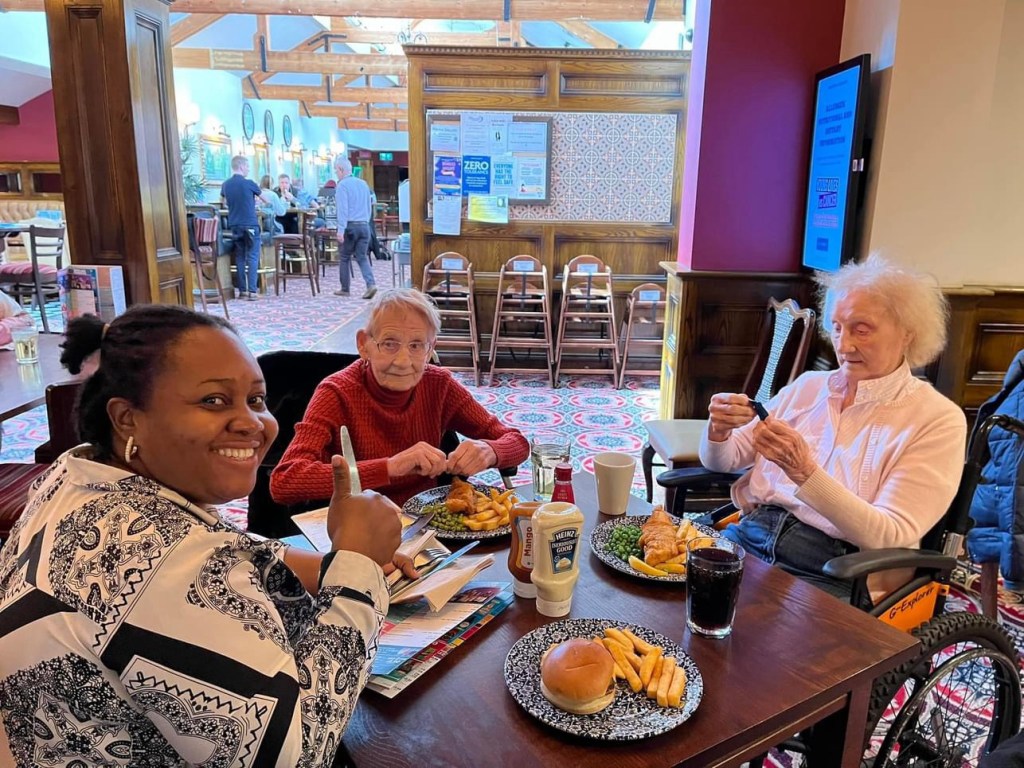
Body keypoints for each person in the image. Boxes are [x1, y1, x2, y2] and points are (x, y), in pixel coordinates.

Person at [0, 305, 413, 766]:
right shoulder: (163, 568)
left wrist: (314, 566)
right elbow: (297, 756)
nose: (251, 423)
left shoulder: (77, 473)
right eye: (213, 401)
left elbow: (202, 539)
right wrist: (356, 566)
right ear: (127, 418)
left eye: (256, 399)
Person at [699, 255, 967, 604]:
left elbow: (890, 535)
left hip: (838, 568)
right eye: (838, 327)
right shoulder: (809, 386)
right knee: (665, 599)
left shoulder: (937, 419)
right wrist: (719, 431)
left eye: (861, 329)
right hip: (753, 533)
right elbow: (724, 460)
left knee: (742, 632)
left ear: (907, 334)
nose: (843, 345)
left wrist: (804, 472)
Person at [270, 288, 530, 507]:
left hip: (427, 523)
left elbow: (517, 442)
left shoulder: (439, 385)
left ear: (430, 349)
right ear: (364, 344)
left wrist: (490, 451)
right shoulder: (336, 393)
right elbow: (285, 481)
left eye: (416, 345)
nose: (403, 361)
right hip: (357, 526)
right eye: (389, 343)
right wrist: (390, 467)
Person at [332, 156, 377, 300]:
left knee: (344, 256)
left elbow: (343, 210)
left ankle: (345, 288)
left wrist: (340, 230)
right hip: (364, 226)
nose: (336, 173)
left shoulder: (342, 186)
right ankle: (371, 284)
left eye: (336, 170)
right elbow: (369, 206)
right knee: (362, 257)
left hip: (350, 226)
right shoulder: (363, 184)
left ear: (341, 169)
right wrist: (366, 222)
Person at [220, 155, 263, 301]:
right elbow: (266, 200)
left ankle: (242, 291)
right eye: (248, 166)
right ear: (242, 166)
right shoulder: (250, 183)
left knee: (240, 256)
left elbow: (223, 203)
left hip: (234, 224)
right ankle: (253, 291)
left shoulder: (225, 185)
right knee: (252, 256)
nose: (248, 169)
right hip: (250, 223)